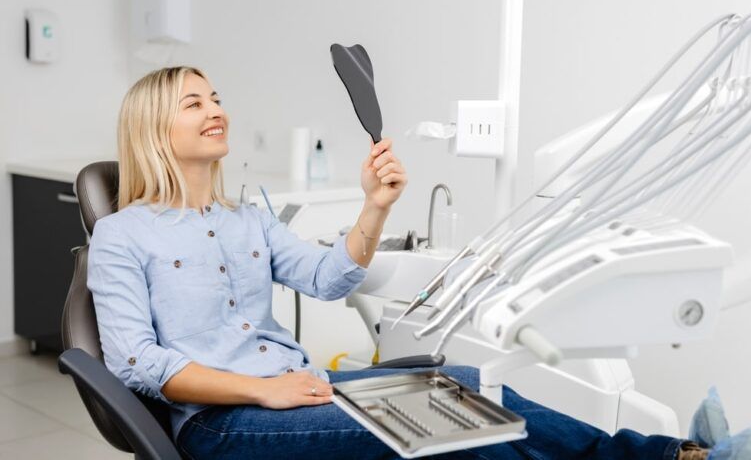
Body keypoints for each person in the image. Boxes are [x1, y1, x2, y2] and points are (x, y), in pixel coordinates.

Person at [88, 66, 710, 459]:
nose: (215, 109)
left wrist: (375, 206)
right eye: (193, 104)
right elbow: (136, 361)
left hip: (302, 389)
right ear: (152, 130)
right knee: (452, 438)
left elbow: (329, 279)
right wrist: (263, 391)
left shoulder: (248, 219)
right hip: (221, 422)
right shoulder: (121, 235)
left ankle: (667, 455)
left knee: (466, 387)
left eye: (216, 97)